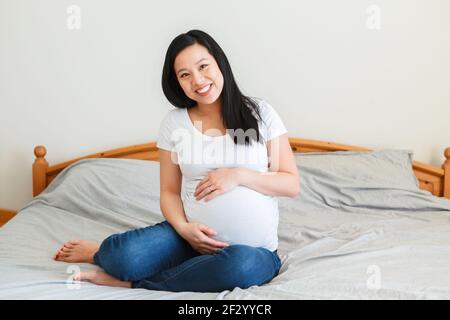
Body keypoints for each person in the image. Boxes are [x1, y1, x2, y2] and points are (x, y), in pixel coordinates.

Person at [53, 29, 300, 292]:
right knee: (123, 256)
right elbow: (169, 192)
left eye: (203, 66)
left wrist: (238, 175)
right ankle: (99, 254)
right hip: (189, 241)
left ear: (220, 63)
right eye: (185, 75)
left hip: (255, 251)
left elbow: (291, 183)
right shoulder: (174, 123)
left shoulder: (260, 113)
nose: (198, 80)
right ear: (178, 82)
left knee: (238, 268)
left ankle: (135, 283)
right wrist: (184, 229)